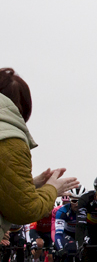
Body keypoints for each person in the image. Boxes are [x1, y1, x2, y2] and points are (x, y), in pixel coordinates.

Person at [0, 67, 79, 237]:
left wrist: (30, 185)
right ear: (21, 107)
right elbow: (25, 210)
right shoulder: (10, 140)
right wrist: (52, 189)